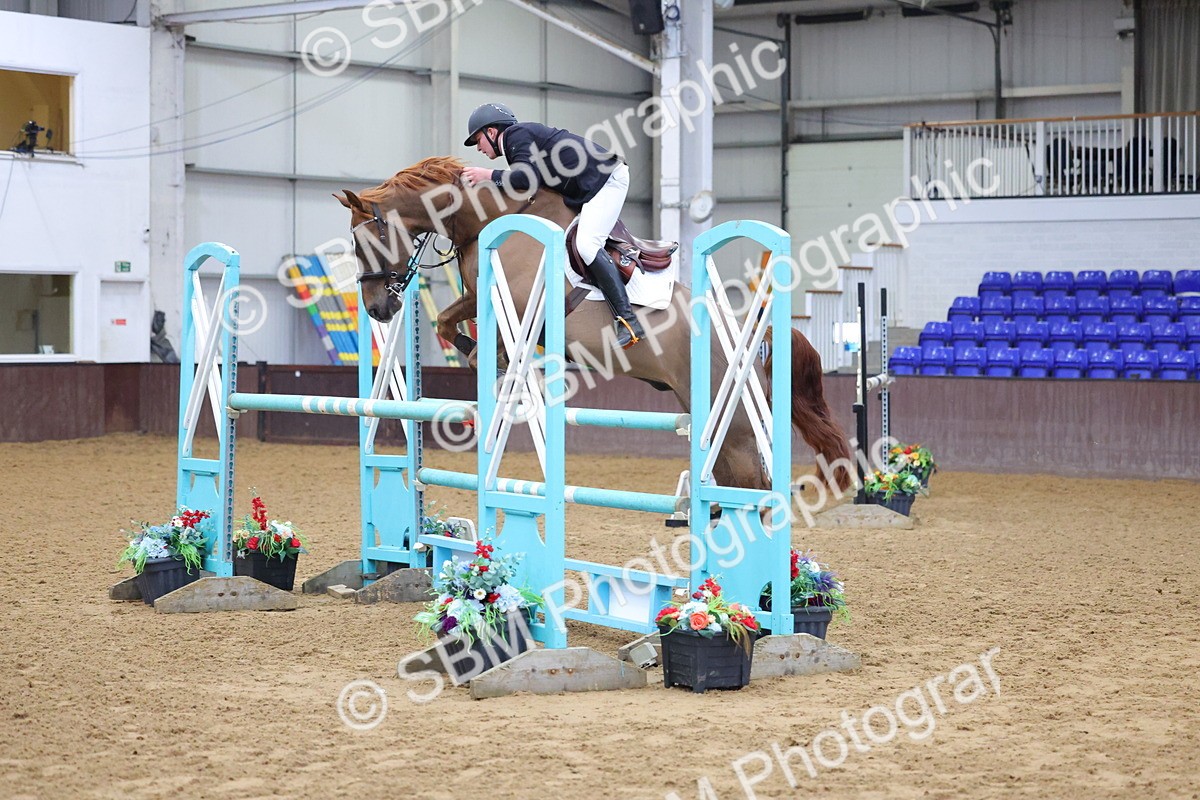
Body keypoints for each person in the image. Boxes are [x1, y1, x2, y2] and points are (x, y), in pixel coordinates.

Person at [460, 102, 645, 349]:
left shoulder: (516, 135)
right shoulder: (519, 142)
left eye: (478, 140)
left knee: (587, 246)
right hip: (585, 190)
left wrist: (488, 175)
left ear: (492, 132)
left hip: (607, 182)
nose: (479, 148)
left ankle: (629, 321)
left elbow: (526, 179)